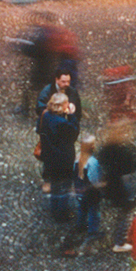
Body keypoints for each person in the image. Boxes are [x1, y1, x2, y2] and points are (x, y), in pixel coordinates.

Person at [99, 117, 136, 252]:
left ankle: (120, 238)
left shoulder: (107, 148)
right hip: (121, 186)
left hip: (113, 185)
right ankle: (119, 242)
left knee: (122, 213)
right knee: (124, 213)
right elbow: (135, 164)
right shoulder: (122, 149)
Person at [37, 90, 79, 223]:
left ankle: (54, 209)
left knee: (55, 185)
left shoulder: (46, 115)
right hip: (63, 160)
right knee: (65, 187)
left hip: (49, 158)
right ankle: (61, 214)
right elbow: (74, 133)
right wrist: (71, 115)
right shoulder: (62, 123)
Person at [63, 133, 104, 255]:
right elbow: (95, 180)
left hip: (79, 191)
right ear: (92, 147)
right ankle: (92, 231)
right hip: (91, 193)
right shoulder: (92, 162)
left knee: (82, 208)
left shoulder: (77, 158)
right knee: (93, 211)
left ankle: (80, 225)